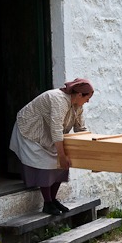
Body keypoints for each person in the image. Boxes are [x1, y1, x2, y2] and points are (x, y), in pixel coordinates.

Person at [9, 78, 94, 215]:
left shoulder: (78, 106)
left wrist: (92, 148)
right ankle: (47, 203)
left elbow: (81, 129)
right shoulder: (58, 99)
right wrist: (61, 156)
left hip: (49, 135)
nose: (88, 101)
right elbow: (56, 129)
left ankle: (53, 200)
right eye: (87, 98)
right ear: (79, 95)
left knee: (61, 165)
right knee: (47, 165)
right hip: (31, 131)